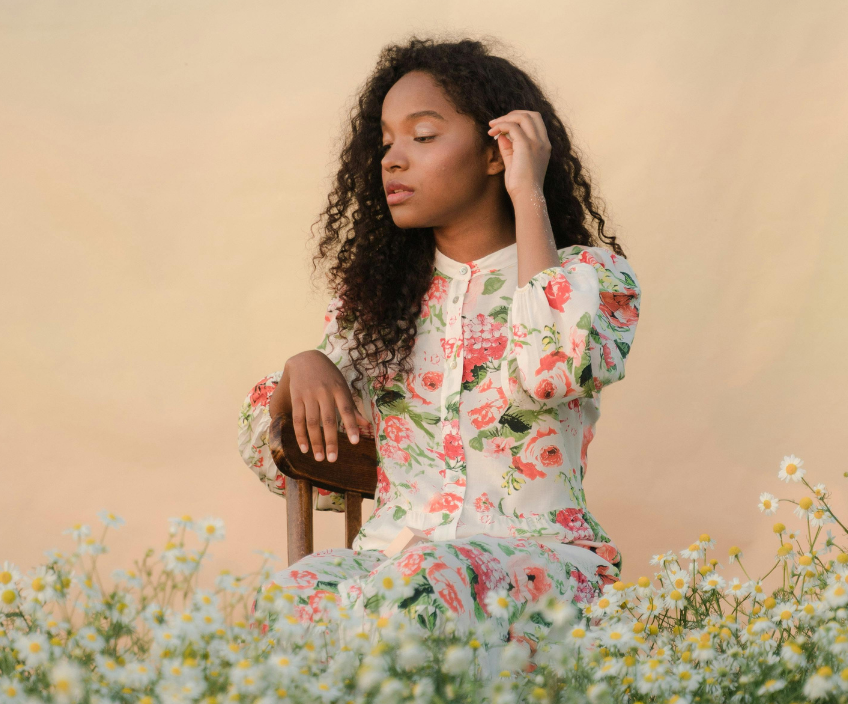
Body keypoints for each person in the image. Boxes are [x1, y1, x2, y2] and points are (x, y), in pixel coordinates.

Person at [237, 36, 641, 659]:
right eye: (386, 143)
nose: (392, 160)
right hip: (392, 567)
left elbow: (554, 369)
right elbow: (279, 459)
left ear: (495, 151)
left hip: (540, 568)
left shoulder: (592, 278)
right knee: (290, 601)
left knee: (425, 582)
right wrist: (304, 366)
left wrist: (526, 195)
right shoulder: (381, 304)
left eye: (422, 137)